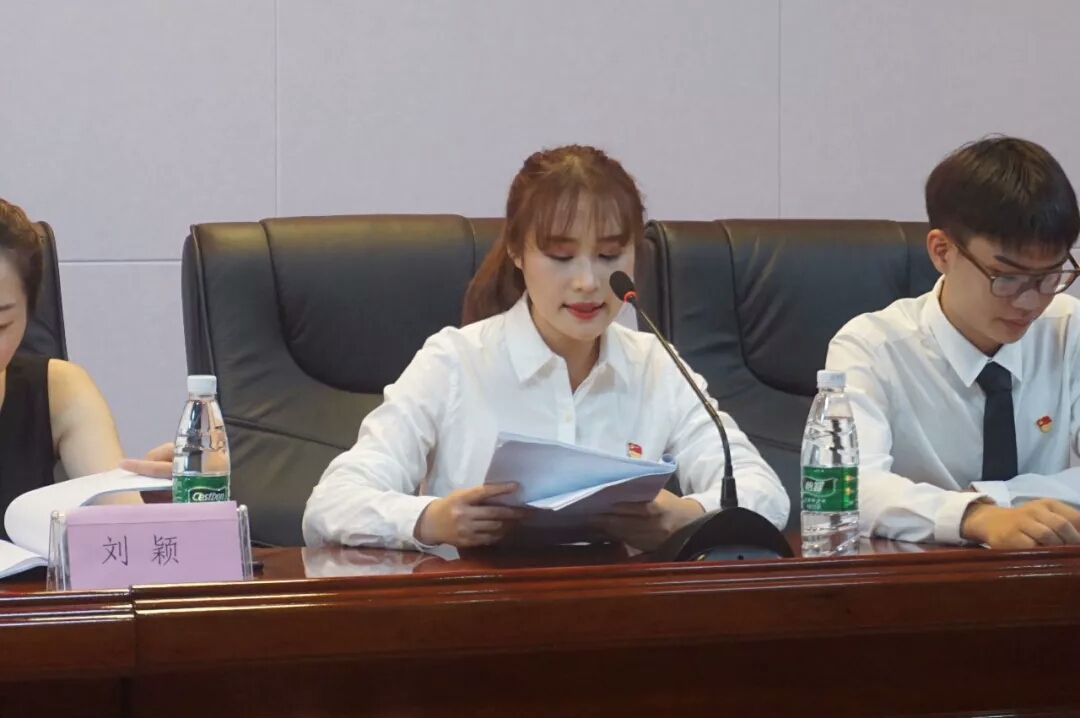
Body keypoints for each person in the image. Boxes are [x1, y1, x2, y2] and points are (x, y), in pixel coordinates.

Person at [303, 144, 788, 551]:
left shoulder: (655, 364)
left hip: (623, 614)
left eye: (610, 255)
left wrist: (687, 514)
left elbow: (765, 491)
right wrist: (431, 520)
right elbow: (329, 504)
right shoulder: (454, 362)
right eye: (560, 256)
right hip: (474, 615)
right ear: (517, 251)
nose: (588, 282)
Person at [825, 136, 1080, 549]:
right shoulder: (871, 347)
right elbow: (849, 486)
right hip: (917, 575)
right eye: (1007, 278)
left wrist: (994, 499)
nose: (1030, 302)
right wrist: (974, 516)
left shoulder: (1068, 328)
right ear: (942, 251)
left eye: (1050, 277)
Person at [0, 198, 171, 535]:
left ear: (28, 314)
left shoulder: (59, 390)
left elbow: (126, 528)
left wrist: (162, 499)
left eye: (0, 324)